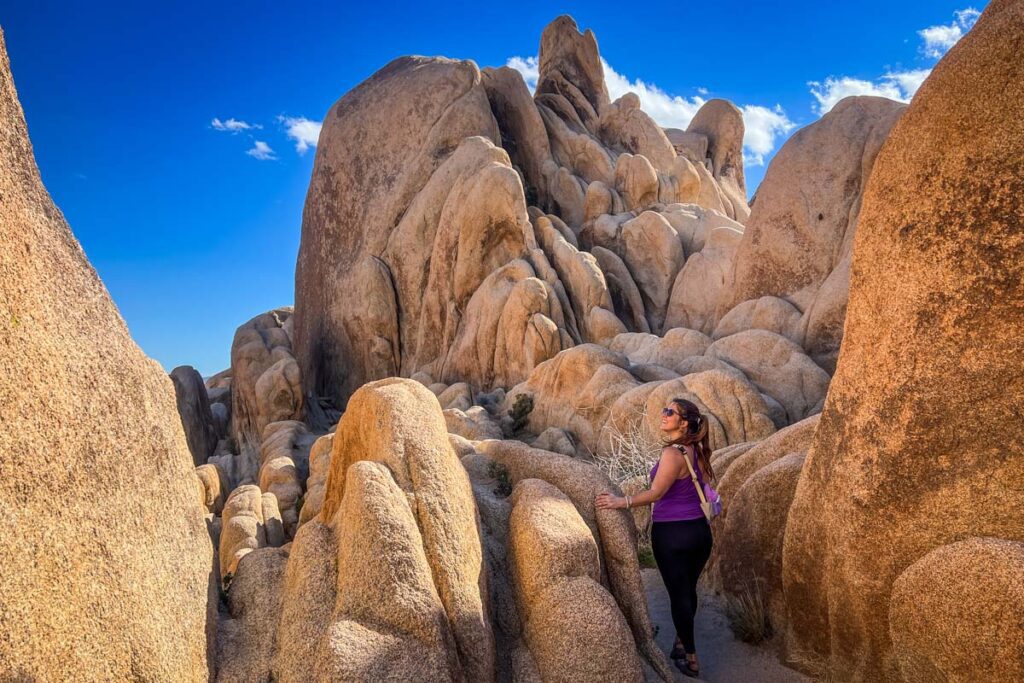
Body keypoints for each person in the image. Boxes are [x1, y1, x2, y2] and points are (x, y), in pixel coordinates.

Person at [595, 398, 715, 678]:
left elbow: (656, 493)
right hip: (699, 532)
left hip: (672, 534)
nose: (663, 415)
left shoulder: (672, 454)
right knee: (688, 590)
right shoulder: (697, 450)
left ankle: (692, 658)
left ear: (683, 423)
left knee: (678, 595)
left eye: (669, 412)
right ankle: (681, 641)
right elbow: (708, 486)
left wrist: (619, 501)